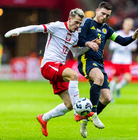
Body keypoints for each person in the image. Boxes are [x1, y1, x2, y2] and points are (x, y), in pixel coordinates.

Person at [4, 8, 100, 137]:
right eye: (76, 22)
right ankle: (78, 113)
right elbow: (35, 28)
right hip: (48, 65)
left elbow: (76, 53)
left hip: (58, 68)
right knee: (74, 75)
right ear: (69, 18)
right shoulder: (57, 26)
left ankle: (44, 118)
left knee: (69, 104)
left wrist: (88, 46)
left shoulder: (76, 34)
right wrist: (18, 31)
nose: (77, 26)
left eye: (79, 24)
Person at [77, 1, 138, 138]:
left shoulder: (106, 29)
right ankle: (94, 114)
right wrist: (88, 43)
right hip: (86, 60)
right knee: (99, 77)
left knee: (107, 98)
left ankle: (84, 120)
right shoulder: (87, 23)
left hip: (99, 63)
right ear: (97, 11)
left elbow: (121, 40)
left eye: (107, 15)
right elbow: (78, 39)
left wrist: (133, 37)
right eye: (103, 13)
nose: (104, 17)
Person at [109, 18, 137, 102]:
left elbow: (134, 47)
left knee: (128, 78)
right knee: (115, 79)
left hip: (127, 60)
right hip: (117, 60)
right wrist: (122, 45)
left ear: (131, 26)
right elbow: (111, 47)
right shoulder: (117, 34)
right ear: (123, 25)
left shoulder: (133, 34)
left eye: (130, 25)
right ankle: (111, 96)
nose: (128, 26)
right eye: (127, 24)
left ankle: (118, 87)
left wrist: (132, 47)